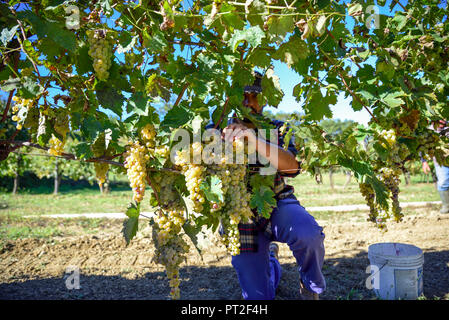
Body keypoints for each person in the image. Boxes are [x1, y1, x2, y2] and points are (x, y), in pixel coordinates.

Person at [206, 71, 326, 300]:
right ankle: (271, 259)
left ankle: (311, 287)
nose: (247, 102)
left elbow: (292, 167)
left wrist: (253, 139)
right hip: (238, 216)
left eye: (254, 96)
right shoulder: (215, 130)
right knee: (258, 298)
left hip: (277, 203)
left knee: (308, 234)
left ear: (266, 98)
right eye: (241, 95)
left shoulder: (277, 128)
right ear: (229, 97)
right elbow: (201, 172)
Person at [421, 120, 449, 214]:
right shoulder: (429, 130)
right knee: (443, 183)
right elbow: (422, 145)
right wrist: (424, 162)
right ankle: (446, 205)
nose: (442, 121)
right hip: (440, 162)